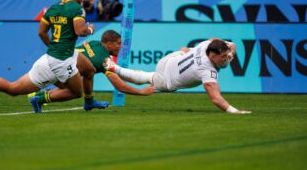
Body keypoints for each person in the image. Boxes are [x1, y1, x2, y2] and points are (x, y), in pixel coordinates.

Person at [103, 39, 252, 114]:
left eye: (227, 56)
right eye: (223, 57)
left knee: (185, 51)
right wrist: (234, 111)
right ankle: (114, 67)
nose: (226, 59)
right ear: (212, 56)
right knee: (146, 78)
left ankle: (185, 52)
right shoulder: (207, 71)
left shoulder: (208, 44)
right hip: (167, 81)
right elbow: (216, 99)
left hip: (170, 59)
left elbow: (230, 44)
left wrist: (229, 53)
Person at [29, 30, 156, 111]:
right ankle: (39, 99)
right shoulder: (104, 61)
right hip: (59, 68)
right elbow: (120, 86)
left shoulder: (95, 43)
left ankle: (88, 102)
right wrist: (142, 92)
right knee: (75, 91)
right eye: (118, 43)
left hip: (51, 61)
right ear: (109, 43)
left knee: (85, 76)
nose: (121, 46)